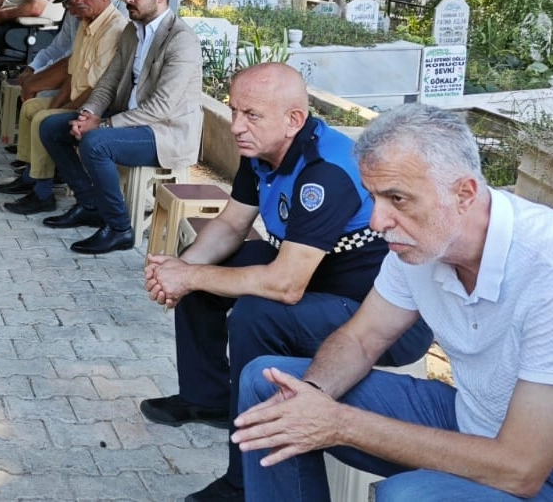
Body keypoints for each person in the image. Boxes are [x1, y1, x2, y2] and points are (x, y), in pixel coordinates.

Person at [144, 63, 434, 502]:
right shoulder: (261, 152)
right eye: (234, 111)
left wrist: (190, 274)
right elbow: (230, 226)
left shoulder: (326, 172)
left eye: (252, 115)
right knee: (207, 275)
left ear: (294, 120)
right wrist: (177, 273)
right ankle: (206, 397)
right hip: (314, 278)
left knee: (257, 314)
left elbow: (287, 286)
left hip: (374, 314)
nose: (237, 126)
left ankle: (244, 481)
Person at [233, 104, 553, 502]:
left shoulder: (544, 268)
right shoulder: (420, 244)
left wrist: (337, 424)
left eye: (397, 198)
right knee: (270, 386)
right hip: (470, 417)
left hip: (533, 466)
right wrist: (311, 397)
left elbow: (521, 469)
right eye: (373, 197)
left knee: (407, 495)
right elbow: (362, 338)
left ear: (464, 194)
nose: (376, 221)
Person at [37, 0, 202, 254]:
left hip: (165, 132)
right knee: (52, 127)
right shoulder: (132, 31)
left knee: (95, 143)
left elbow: (162, 107)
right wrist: (89, 113)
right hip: (130, 119)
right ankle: (90, 205)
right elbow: (108, 83)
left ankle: (119, 228)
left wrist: (101, 126)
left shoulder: (181, 41)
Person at [0, 0, 128, 216]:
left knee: (44, 120)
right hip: (79, 100)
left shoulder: (114, 29)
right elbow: (72, 70)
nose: (78, 0)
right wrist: (58, 104)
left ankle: (44, 192)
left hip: (98, 108)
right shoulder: (86, 23)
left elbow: (98, 88)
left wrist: (63, 110)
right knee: (32, 107)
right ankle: (30, 175)